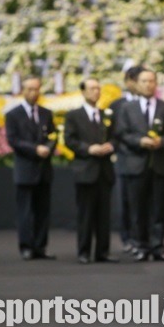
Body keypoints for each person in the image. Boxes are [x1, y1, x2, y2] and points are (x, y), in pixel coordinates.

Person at [116, 69, 164, 262]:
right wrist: (139, 141)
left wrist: (161, 141)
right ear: (137, 84)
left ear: (156, 83)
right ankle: (140, 245)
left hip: (158, 165)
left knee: (158, 209)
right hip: (135, 165)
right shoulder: (128, 108)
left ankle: (158, 247)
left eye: (151, 81)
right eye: (144, 81)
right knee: (137, 209)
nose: (148, 84)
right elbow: (122, 134)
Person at [64, 78, 118, 264]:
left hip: (105, 171)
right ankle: (84, 252)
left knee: (104, 215)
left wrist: (111, 145)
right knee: (85, 214)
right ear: (84, 92)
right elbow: (70, 140)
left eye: (98, 88)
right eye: (92, 88)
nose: (96, 91)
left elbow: (117, 137)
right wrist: (89, 149)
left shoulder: (107, 114)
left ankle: (103, 251)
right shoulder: (74, 115)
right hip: (85, 170)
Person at [5, 76, 57, 261]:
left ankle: (41, 247)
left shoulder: (46, 113)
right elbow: (13, 140)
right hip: (25, 169)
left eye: (36, 89)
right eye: (29, 89)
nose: (33, 92)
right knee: (25, 212)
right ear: (22, 90)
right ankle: (26, 247)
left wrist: (48, 148)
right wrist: (36, 149)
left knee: (43, 211)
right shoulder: (13, 114)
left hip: (44, 169)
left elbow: (53, 135)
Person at [109, 65, 144, 253]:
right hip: (124, 161)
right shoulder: (116, 106)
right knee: (125, 203)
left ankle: (143, 240)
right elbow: (111, 133)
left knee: (144, 204)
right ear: (128, 82)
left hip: (147, 162)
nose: (142, 84)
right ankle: (128, 238)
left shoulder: (153, 105)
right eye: (139, 80)